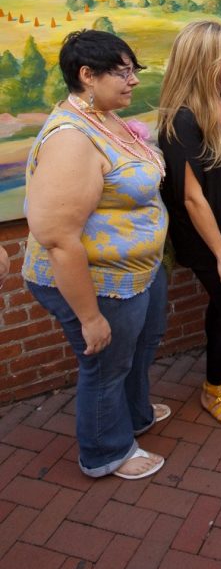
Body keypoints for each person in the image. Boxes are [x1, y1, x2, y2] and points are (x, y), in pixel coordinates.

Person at [23, 30, 169, 480]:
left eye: (133, 71)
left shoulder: (105, 117)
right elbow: (58, 238)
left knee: (138, 348)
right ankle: (107, 452)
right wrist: (90, 317)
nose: (132, 82)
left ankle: (135, 413)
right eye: (122, 73)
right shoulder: (71, 138)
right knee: (105, 364)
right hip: (100, 281)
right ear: (87, 75)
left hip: (136, 271)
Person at [158, 22, 221, 429]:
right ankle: (213, 387)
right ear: (204, 62)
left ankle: (220, 377)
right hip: (207, 239)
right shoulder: (181, 120)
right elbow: (191, 197)